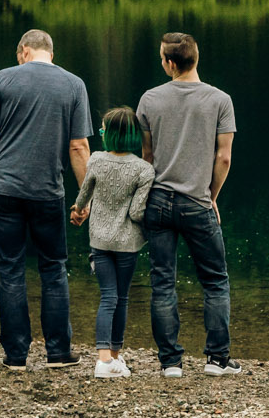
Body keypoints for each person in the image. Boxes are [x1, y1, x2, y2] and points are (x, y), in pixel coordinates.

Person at [0, 28, 92, 370]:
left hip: (5, 189)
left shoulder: (5, 79)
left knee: (11, 268)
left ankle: (16, 355)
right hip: (47, 192)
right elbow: (79, 147)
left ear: (24, 50)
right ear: (49, 52)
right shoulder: (74, 84)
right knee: (53, 268)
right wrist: (84, 199)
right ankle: (57, 352)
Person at [138, 31, 238, 378]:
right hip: (197, 200)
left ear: (169, 63)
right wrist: (211, 195)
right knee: (214, 280)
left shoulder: (149, 99)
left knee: (163, 281)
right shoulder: (220, 100)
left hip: (159, 201)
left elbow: (147, 156)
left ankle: (170, 363)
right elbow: (223, 157)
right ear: (196, 59)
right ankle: (216, 359)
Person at [69, 105, 155, 379]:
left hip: (100, 241)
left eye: (103, 129)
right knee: (122, 297)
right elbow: (136, 212)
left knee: (108, 296)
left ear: (110, 135)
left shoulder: (96, 159)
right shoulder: (144, 169)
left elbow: (84, 196)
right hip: (128, 244)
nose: (101, 133)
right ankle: (109, 358)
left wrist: (78, 211)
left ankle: (110, 359)